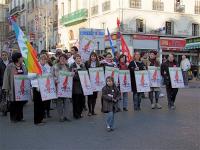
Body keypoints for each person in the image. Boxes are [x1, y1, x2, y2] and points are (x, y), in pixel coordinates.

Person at [2, 52, 27, 122]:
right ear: (17, 58)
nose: (22, 58)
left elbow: (26, 76)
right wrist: (6, 88)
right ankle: (13, 118)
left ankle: (20, 117)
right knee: (13, 103)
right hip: (13, 88)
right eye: (21, 57)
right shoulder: (10, 66)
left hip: (22, 88)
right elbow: (6, 77)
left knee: (20, 103)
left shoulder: (23, 66)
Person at [53, 54, 73, 122]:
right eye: (61, 58)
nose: (62, 59)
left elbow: (69, 76)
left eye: (64, 58)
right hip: (58, 86)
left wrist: (72, 74)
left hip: (66, 86)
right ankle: (61, 116)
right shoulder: (55, 66)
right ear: (59, 59)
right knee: (59, 102)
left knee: (67, 101)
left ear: (66, 59)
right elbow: (52, 75)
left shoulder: (67, 66)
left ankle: (66, 116)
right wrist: (55, 79)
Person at [70, 54, 86, 119]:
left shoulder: (82, 65)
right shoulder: (72, 66)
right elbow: (72, 76)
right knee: (75, 101)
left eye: (79, 58)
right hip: (75, 86)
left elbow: (85, 73)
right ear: (74, 59)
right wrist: (80, 76)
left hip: (82, 86)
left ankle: (80, 112)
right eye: (77, 58)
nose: (78, 59)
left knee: (82, 101)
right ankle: (76, 114)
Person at [85, 52, 100, 116]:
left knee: (94, 97)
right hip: (89, 82)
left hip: (96, 83)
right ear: (90, 57)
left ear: (96, 57)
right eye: (92, 56)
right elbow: (85, 71)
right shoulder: (87, 63)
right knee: (89, 97)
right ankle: (89, 111)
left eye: (94, 56)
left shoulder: (98, 64)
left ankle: (93, 110)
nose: (93, 57)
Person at [39, 53, 53, 118]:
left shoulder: (49, 67)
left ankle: (48, 111)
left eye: (44, 59)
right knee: (42, 100)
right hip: (41, 85)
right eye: (42, 59)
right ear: (40, 60)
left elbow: (51, 74)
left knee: (48, 99)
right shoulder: (37, 66)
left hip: (48, 84)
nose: (43, 60)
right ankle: (43, 112)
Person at [0, 51, 10, 116]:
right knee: (3, 97)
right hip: (2, 82)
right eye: (3, 55)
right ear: (1, 56)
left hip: (11, 82)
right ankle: (4, 110)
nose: (4, 56)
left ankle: (10, 108)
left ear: (7, 55)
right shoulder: (0, 63)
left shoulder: (11, 63)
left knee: (10, 96)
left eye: (5, 55)